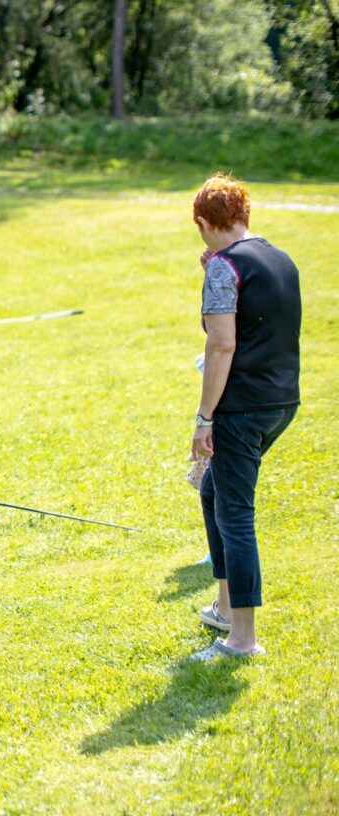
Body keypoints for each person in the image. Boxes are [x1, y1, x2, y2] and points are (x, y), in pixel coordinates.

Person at [188, 174, 300, 661]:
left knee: (234, 512)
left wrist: (204, 418)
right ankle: (225, 607)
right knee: (213, 491)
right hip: (281, 402)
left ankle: (242, 638)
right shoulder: (279, 257)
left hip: (242, 407)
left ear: (203, 222)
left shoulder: (225, 266)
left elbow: (222, 344)